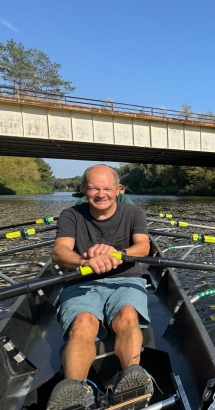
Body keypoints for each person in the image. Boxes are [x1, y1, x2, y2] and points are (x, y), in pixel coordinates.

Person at [47, 164, 153, 410]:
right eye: (94, 188)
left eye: (106, 188)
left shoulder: (133, 213)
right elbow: (59, 252)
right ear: (83, 189)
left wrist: (116, 254)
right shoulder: (70, 215)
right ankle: (73, 392)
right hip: (82, 281)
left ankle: (133, 379)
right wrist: (86, 261)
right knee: (83, 323)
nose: (100, 194)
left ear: (118, 189)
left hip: (126, 278)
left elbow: (143, 248)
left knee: (127, 316)